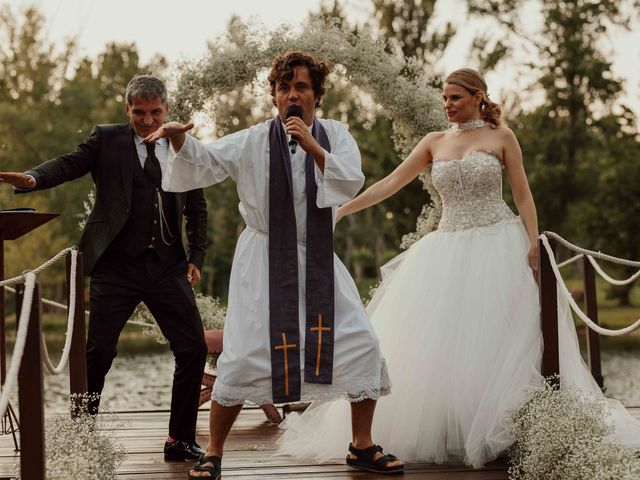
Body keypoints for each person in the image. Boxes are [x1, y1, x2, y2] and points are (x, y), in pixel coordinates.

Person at [276, 68, 640, 467]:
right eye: (444, 99)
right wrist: (343, 209)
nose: (447, 105)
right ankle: (448, 427)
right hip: (446, 248)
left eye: (455, 98)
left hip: (498, 243)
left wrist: (533, 243)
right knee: (442, 341)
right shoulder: (434, 142)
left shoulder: (502, 137)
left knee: (498, 336)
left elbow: (522, 193)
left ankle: (505, 428)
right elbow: (391, 182)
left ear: (478, 97)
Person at [146, 51, 403, 479]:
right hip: (263, 261)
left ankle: (361, 445)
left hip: (318, 257)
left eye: (301, 86)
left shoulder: (335, 135)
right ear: (274, 96)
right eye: (284, 87)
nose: (292, 94)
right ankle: (214, 452)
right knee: (244, 355)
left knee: (361, 344)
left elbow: (349, 180)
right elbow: (205, 161)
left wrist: (311, 144)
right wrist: (177, 140)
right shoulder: (251, 140)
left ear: (317, 95)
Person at [0, 75, 209, 461]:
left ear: (166, 109)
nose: (147, 120)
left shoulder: (183, 144)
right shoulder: (107, 138)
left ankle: (179, 439)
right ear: (126, 109)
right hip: (116, 265)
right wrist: (33, 178)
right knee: (99, 351)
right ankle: (81, 435)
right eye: (138, 112)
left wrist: (196, 256)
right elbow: (69, 164)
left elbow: (197, 207)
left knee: (193, 348)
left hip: (166, 266)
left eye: (155, 112)